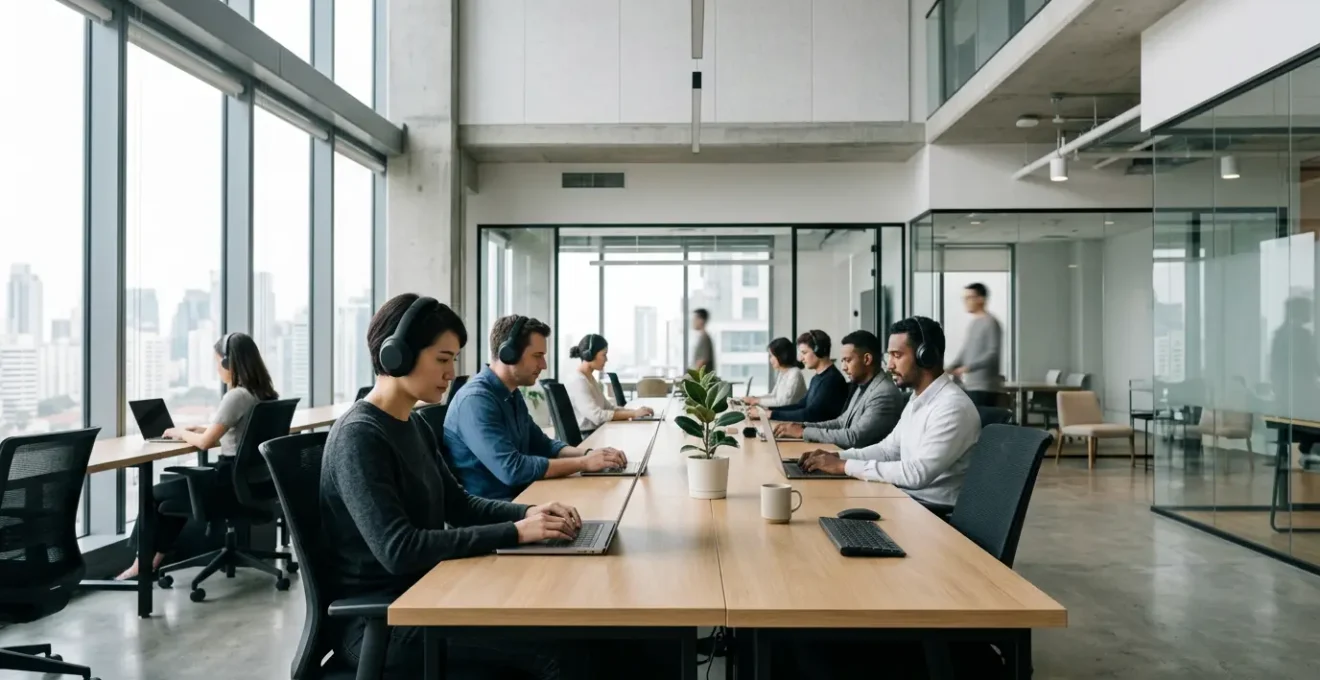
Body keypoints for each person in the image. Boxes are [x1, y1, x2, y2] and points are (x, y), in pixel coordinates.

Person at [321, 294, 578, 678]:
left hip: (429, 593)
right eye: (442, 359)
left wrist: (529, 514)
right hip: (385, 624)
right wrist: (515, 532)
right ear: (398, 356)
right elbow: (400, 550)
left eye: (454, 360)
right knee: (556, 653)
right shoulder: (359, 437)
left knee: (569, 627)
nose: (451, 372)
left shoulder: (414, 425)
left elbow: (457, 505)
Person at [116, 332, 278, 580]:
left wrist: (180, 431)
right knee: (171, 495)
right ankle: (154, 560)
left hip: (228, 484)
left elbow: (205, 443)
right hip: (250, 483)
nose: (217, 369)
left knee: (155, 494)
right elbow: (238, 431)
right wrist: (200, 429)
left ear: (228, 363)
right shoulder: (262, 394)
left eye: (217, 362)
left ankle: (141, 564)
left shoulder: (236, 395)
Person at [800, 316, 981, 510]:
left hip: (930, 513)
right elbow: (888, 451)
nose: (890, 365)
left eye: (897, 355)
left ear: (925, 356)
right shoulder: (917, 400)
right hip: (904, 499)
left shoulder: (952, 407)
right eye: (890, 356)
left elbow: (916, 474)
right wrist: (836, 456)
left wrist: (844, 466)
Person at [444, 315, 629, 501]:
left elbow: (543, 444)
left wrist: (591, 455)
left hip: (523, 496)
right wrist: (583, 463)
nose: (544, 365)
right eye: (537, 356)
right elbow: (512, 469)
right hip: (498, 513)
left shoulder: (511, 393)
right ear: (509, 353)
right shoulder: (476, 400)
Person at [772, 330, 902, 449]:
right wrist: (802, 427)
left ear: (867, 359)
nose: (844, 367)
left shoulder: (884, 393)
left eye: (847, 360)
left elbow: (854, 437)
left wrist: (803, 432)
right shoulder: (861, 386)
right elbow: (841, 422)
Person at [564, 333, 654, 432]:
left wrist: (637, 411)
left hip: (597, 430)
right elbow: (597, 416)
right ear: (589, 355)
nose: (606, 359)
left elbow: (608, 408)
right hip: (588, 436)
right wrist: (633, 414)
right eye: (604, 354)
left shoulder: (590, 378)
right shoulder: (579, 381)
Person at [758, 330, 848, 424]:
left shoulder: (831, 380)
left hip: (822, 436)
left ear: (819, 351)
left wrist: (771, 414)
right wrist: (768, 410)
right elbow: (801, 405)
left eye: (804, 353)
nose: (801, 358)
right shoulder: (817, 378)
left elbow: (810, 414)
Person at [947, 282, 1003, 406]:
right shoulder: (973, 324)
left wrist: (968, 367)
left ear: (981, 299)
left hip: (985, 387)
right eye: (964, 298)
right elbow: (965, 351)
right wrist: (949, 368)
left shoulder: (991, 323)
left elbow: (992, 353)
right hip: (970, 386)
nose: (965, 302)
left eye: (969, 298)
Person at [743, 337, 807, 409]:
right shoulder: (782, 372)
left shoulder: (795, 373)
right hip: (783, 414)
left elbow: (784, 402)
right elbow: (774, 395)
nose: (770, 359)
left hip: (793, 418)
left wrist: (757, 401)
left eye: (772, 356)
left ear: (782, 355)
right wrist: (754, 398)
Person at [690, 308, 715, 373]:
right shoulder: (703, 337)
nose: (693, 322)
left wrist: (692, 377)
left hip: (702, 381)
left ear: (701, 320)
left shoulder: (704, 338)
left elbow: (702, 361)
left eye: (695, 319)